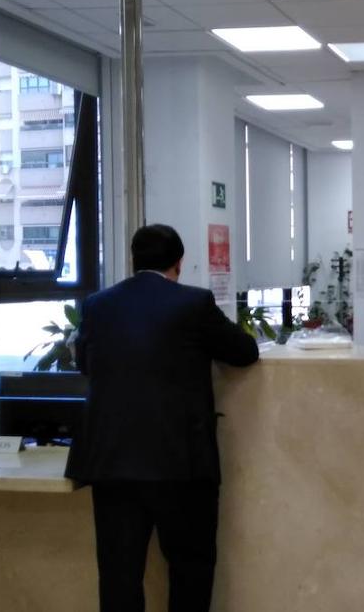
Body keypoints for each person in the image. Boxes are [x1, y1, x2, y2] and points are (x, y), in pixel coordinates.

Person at [66, 224, 259, 612]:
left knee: (119, 577)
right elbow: (244, 352)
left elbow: (86, 363)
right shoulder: (194, 303)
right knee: (190, 570)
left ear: (133, 260)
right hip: (180, 464)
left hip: (113, 464)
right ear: (179, 263)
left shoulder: (98, 305)